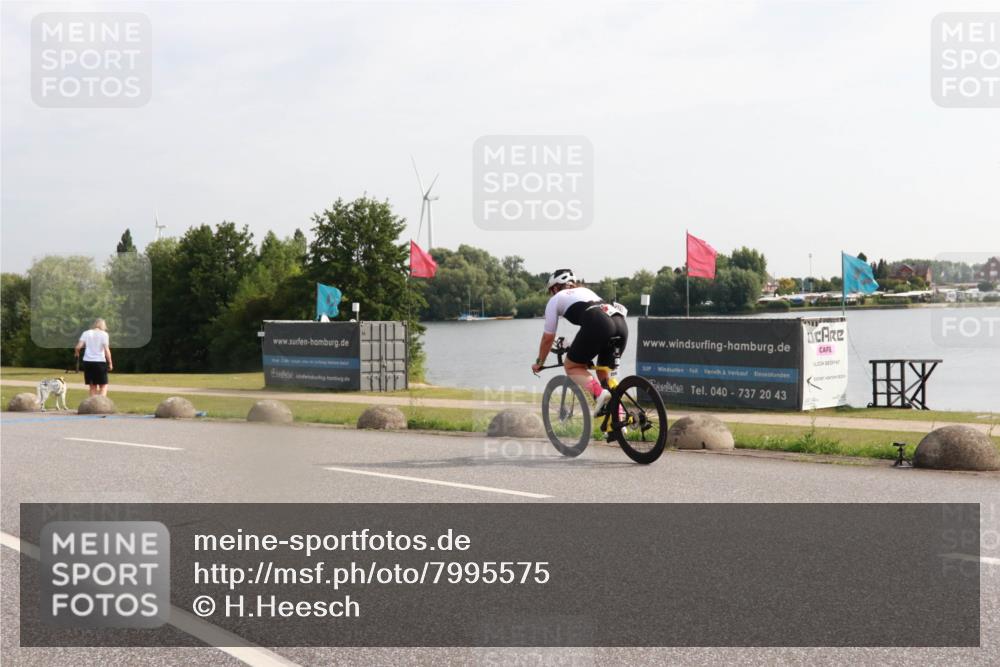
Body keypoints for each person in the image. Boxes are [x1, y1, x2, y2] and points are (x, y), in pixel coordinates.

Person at [530, 269, 628, 414]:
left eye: (551, 290)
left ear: (555, 287)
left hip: (599, 324)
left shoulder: (555, 299)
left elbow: (548, 338)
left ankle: (599, 394)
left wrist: (539, 362)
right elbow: (589, 324)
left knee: (571, 366)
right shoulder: (585, 291)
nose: (552, 293)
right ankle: (619, 420)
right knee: (603, 372)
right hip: (620, 324)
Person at [74, 318, 113, 397]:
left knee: (92, 386)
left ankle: (93, 406)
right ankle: (101, 405)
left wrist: (77, 353)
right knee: (103, 385)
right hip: (100, 362)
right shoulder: (104, 334)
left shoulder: (86, 333)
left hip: (88, 362)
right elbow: (106, 350)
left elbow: (78, 347)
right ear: (103, 326)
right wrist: (110, 362)